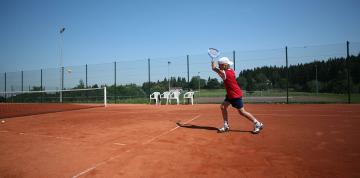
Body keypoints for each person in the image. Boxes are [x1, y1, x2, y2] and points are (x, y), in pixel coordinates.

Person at [211, 57, 263, 133]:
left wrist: (212, 61)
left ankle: (258, 123)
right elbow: (218, 70)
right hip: (230, 95)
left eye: (220, 65)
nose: (219, 66)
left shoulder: (225, 73)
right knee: (223, 107)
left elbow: (214, 68)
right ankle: (226, 126)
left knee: (242, 112)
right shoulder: (231, 70)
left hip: (235, 95)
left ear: (224, 65)